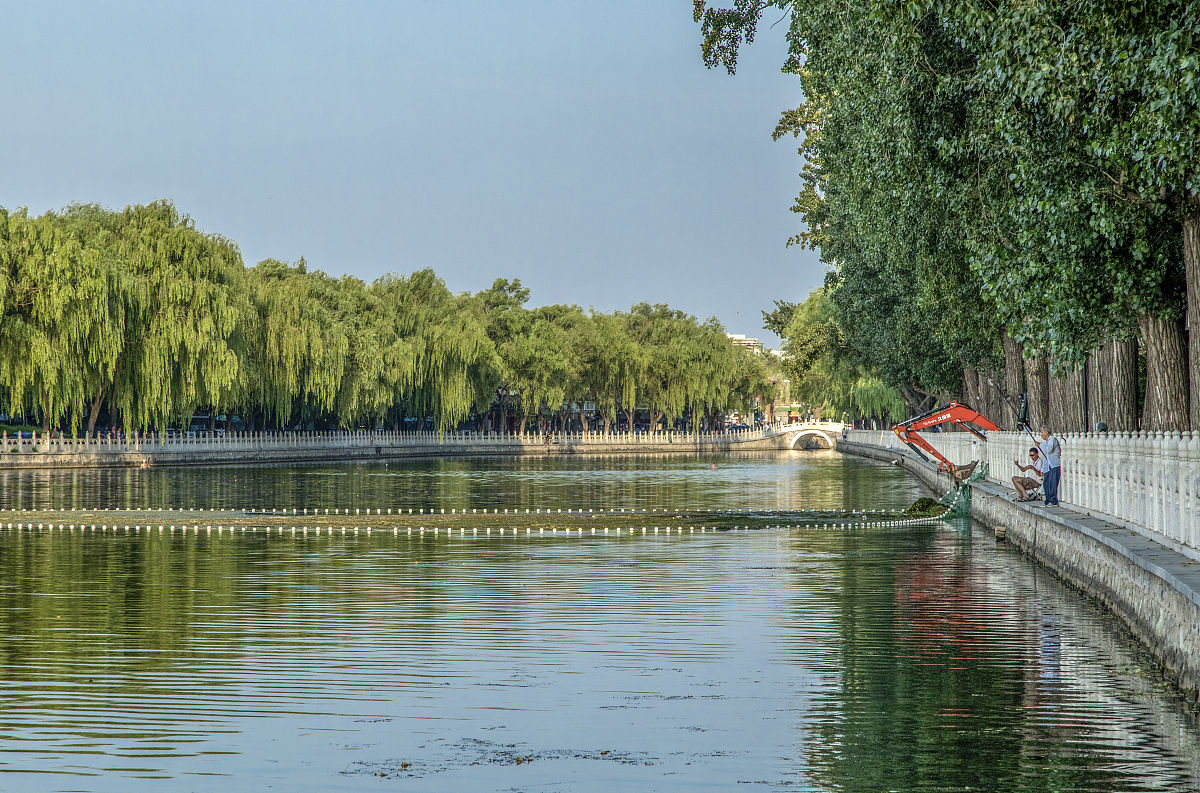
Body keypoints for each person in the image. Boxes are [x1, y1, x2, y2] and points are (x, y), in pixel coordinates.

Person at [1036, 426, 1062, 506]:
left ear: (1046, 432)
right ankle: (1048, 500)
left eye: (1042, 432)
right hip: (1048, 466)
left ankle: (1053, 501)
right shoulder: (1047, 442)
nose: (1041, 434)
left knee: (1053, 483)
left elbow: (1049, 450)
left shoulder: (1052, 440)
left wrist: (1040, 445)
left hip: (1054, 465)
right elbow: (1046, 456)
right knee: (1046, 483)